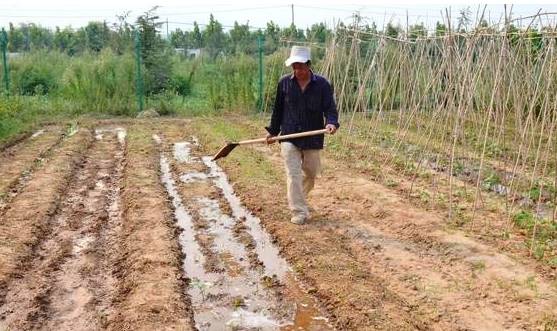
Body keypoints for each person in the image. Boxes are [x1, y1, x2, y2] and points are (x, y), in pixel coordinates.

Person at [265, 45, 340, 225]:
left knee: (311, 173)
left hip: (312, 137)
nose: (297, 70)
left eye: (300, 66)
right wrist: (273, 132)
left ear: (308, 64)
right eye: (294, 66)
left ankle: (298, 198)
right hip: (289, 136)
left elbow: (330, 109)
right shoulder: (284, 83)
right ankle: (298, 210)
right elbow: (278, 110)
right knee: (293, 175)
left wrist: (331, 122)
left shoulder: (322, 84)